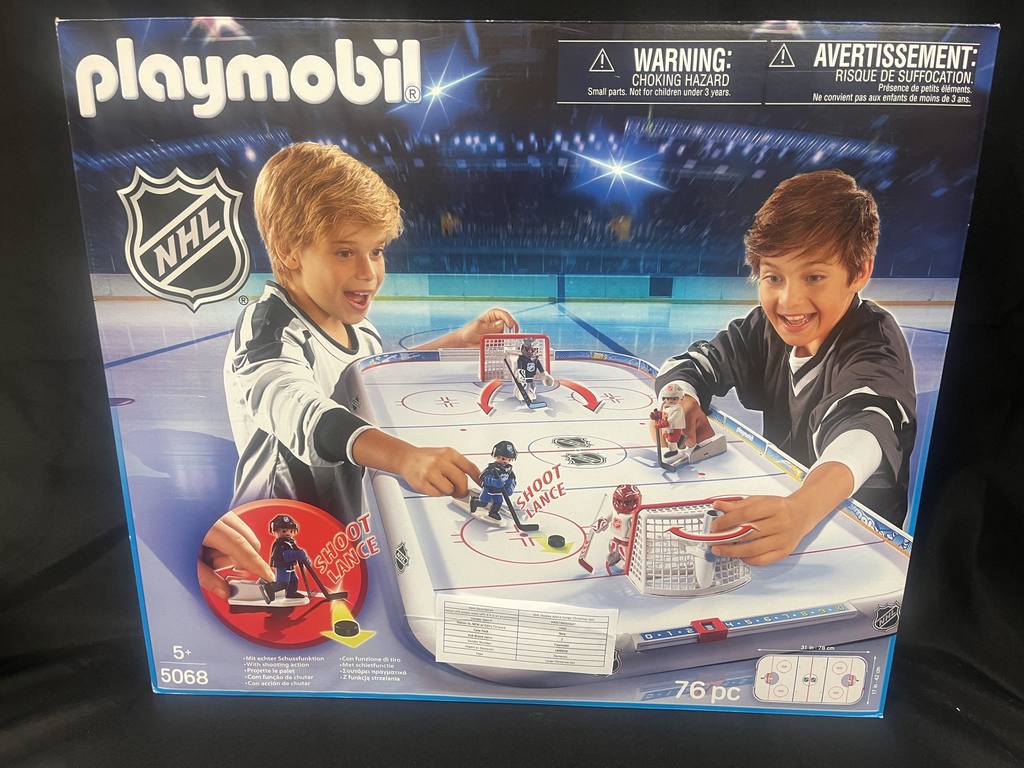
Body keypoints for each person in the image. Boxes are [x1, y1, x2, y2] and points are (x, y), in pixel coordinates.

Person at [225, 142, 519, 523]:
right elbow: (303, 414)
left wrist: (458, 340)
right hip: (273, 532)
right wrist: (402, 456)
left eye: (377, 251)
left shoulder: (361, 331)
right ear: (288, 250)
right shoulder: (268, 328)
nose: (369, 272)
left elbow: (373, 382)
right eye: (345, 252)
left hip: (339, 530)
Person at [655, 170, 917, 564]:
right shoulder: (764, 329)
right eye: (773, 277)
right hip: (781, 524)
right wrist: (679, 399)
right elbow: (690, 364)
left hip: (852, 552)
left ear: (860, 272)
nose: (790, 301)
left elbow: (864, 431)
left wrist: (801, 507)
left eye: (814, 276)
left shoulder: (874, 343)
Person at [258, 514, 309, 603]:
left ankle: (291, 593)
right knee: (283, 583)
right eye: (284, 531)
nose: (288, 533)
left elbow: (297, 550)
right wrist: (297, 554)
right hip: (282, 566)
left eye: (291, 531)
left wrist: (304, 558)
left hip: (289, 566)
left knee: (294, 580)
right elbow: (286, 555)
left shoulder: (291, 542)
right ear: (275, 531)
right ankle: (269, 588)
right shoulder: (280, 544)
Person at [471, 441, 518, 524]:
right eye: (503, 459)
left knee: (498, 502)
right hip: (488, 489)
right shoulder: (492, 468)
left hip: (498, 491)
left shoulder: (508, 470)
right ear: (497, 456)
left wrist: (510, 487)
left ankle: (493, 512)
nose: (506, 461)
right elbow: (482, 477)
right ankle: (474, 502)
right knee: (484, 502)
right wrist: (494, 481)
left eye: (509, 459)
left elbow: (512, 479)